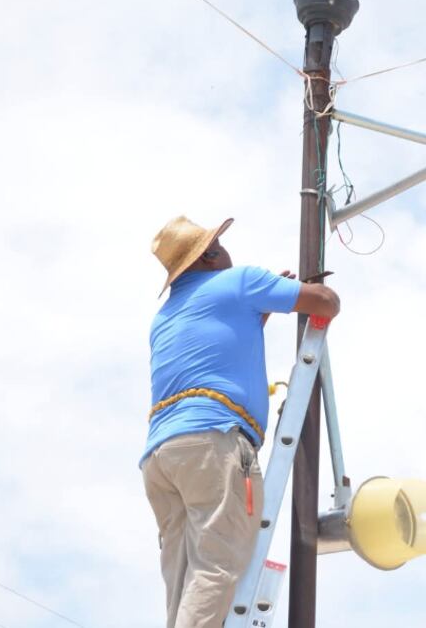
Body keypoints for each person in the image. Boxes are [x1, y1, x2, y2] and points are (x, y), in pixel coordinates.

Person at [141, 215, 339, 628]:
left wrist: (259, 309)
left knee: (183, 580)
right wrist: (303, 290)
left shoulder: (165, 317)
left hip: (162, 455)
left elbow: (216, 344)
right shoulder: (242, 281)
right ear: (211, 255)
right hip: (213, 443)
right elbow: (325, 303)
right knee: (218, 565)